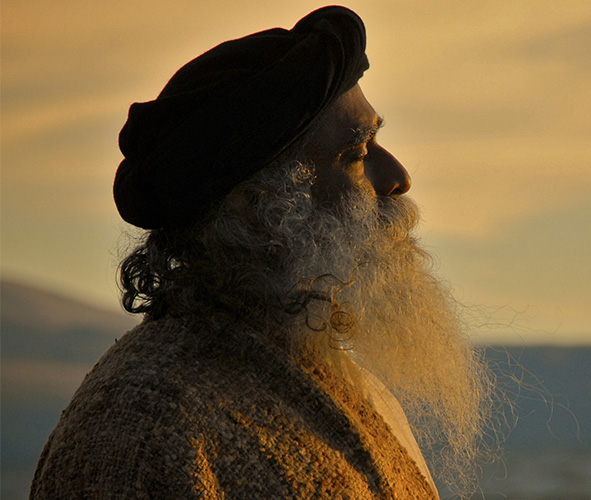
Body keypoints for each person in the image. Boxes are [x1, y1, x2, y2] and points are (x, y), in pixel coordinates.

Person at [30, 6, 493, 499]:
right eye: (356, 154)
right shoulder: (137, 430)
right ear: (257, 207)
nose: (398, 177)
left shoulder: (352, 386)